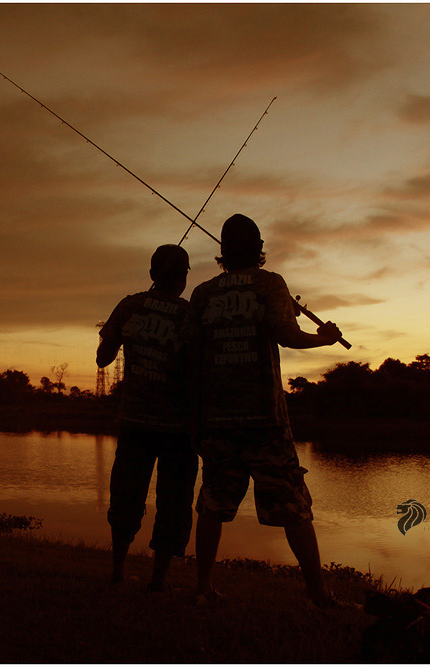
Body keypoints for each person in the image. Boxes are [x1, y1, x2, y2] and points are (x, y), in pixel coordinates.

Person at [186, 213, 343, 607]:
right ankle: (318, 594)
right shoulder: (270, 283)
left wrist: (195, 419)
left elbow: (190, 355)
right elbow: (287, 336)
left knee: (211, 506)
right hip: (266, 421)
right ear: (259, 250)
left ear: (223, 252)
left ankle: (202, 588)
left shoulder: (203, 294)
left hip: (217, 420)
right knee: (294, 506)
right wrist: (324, 339)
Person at [97, 244, 197, 592]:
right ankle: (158, 581)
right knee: (174, 504)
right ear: (183, 277)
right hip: (180, 431)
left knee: (125, 497)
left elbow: (102, 359)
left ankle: (117, 571)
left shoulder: (128, 306)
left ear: (152, 274)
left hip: (134, 424)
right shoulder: (191, 315)